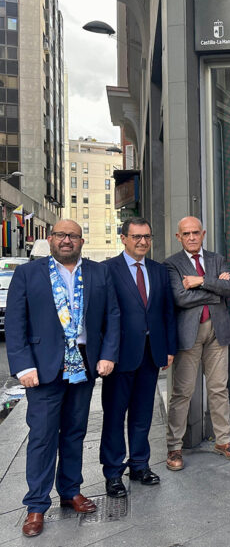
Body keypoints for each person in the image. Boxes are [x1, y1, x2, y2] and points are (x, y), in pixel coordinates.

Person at [5, 220, 120, 537]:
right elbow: (15, 324)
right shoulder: (28, 274)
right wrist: (23, 366)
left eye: (73, 235)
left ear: (82, 240)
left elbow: (112, 315)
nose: (66, 240)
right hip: (42, 368)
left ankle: (70, 491)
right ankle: (36, 505)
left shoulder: (99, 273)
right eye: (60, 235)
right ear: (50, 239)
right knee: (42, 437)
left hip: (83, 363)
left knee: (74, 432)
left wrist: (108, 354)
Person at [101, 218, 177, 498]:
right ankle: (112, 473)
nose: (142, 242)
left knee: (143, 415)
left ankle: (140, 464)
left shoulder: (158, 271)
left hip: (151, 353)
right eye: (136, 237)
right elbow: (101, 314)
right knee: (114, 416)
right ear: (123, 238)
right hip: (119, 356)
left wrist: (169, 347)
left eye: (147, 236)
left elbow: (167, 311)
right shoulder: (108, 269)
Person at [164, 216, 230, 470]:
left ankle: (223, 441)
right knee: (182, 392)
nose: (191, 237)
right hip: (189, 334)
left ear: (203, 233)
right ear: (179, 237)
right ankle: (174, 447)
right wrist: (215, 289)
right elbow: (180, 298)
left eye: (195, 232)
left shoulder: (216, 259)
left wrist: (200, 282)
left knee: (219, 388)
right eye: (186, 234)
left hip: (218, 331)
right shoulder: (172, 265)